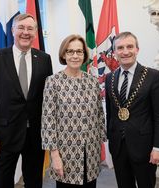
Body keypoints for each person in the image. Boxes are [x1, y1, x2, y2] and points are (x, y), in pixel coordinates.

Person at [0, 13, 53, 188]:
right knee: (2, 183)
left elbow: (48, 100)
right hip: (4, 136)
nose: (25, 32)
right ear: (13, 30)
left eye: (30, 28)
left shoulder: (44, 59)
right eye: (21, 27)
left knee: (34, 182)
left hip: (35, 136)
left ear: (36, 33)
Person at [41, 34, 106, 188]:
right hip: (66, 154)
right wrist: (55, 156)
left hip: (91, 152)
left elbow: (99, 114)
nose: (75, 56)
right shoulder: (53, 82)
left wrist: (102, 142)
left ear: (84, 55)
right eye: (70, 52)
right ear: (64, 54)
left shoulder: (92, 81)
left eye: (79, 51)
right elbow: (48, 120)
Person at [105, 31, 159, 188]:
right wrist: (111, 143)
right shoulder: (109, 78)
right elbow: (111, 113)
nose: (125, 51)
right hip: (118, 147)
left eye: (129, 46)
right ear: (114, 53)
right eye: (120, 48)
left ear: (137, 49)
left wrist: (158, 147)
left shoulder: (153, 76)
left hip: (144, 147)